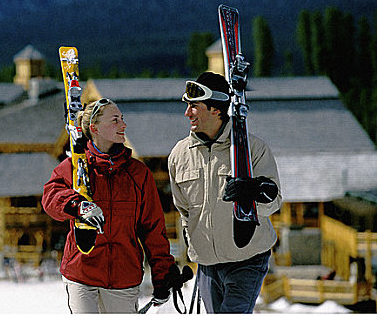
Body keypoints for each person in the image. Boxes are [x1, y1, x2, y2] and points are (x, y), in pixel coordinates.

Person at [43, 98, 180, 314]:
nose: (123, 125)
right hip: (82, 273)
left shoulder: (138, 173)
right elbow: (51, 197)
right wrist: (78, 206)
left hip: (124, 278)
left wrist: (162, 274)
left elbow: (153, 228)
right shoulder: (76, 167)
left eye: (122, 119)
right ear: (94, 128)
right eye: (115, 120)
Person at [168, 72, 282, 313]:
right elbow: (184, 210)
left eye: (194, 107)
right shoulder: (179, 155)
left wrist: (254, 191)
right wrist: (194, 246)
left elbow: (274, 202)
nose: (187, 113)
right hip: (207, 264)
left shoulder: (251, 149)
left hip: (247, 259)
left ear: (216, 110)